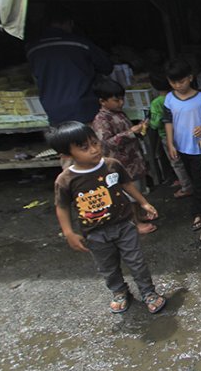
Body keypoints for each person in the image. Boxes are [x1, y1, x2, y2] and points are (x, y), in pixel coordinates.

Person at [47, 121, 166, 314]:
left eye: (95, 142)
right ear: (67, 154)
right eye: (84, 147)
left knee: (137, 261)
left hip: (124, 225)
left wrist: (144, 203)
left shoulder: (112, 165)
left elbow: (127, 185)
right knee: (107, 267)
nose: (94, 149)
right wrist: (68, 232)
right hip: (95, 233)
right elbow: (61, 207)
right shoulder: (65, 180)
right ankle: (119, 291)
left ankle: (148, 292)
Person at [27, 7, 113, 125]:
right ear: (69, 23)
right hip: (84, 106)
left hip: (53, 108)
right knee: (90, 141)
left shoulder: (32, 49)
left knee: (67, 141)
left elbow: (35, 75)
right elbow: (106, 67)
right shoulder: (80, 43)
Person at [91, 77, 155, 235]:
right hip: (121, 164)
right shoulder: (101, 120)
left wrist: (138, 130)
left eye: (121, 99)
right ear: (102, 101)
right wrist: (130, 132)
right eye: (116, 100)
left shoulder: (118, 113)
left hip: (133, 161)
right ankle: (135, 224)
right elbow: (106, 142)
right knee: (129, 196)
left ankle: (139, 215)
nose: (120, 102)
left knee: (137, 191)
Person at [163, 60, 201, 231]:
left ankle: (199, 212)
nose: (177, 85)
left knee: (200, 180)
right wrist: (171, 143)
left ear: (190, 78)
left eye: (181, 81)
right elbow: (168, 122)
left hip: (200, 147)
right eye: (173, 82)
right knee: (194, 180)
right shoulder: (169, 98)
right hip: (182, 147)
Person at [149, 74, 193, 199]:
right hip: (183, 134)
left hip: (167, 136)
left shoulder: (157, 102)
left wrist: (148, 123)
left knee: (176, 162)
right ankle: (191, 182)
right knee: (187, 160)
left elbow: (156, 123)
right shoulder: (177, 96)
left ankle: (187, 187)